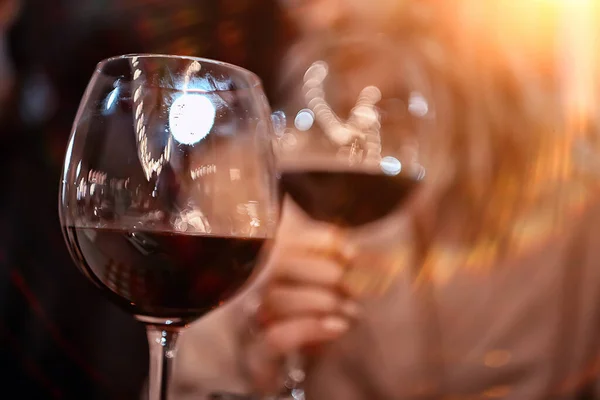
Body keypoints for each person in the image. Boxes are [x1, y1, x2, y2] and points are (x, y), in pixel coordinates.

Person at [172, 1, 600, 399]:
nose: (322, 18)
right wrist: (257, 369)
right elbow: (178, 385)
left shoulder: (574, 199)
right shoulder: (241, 180)